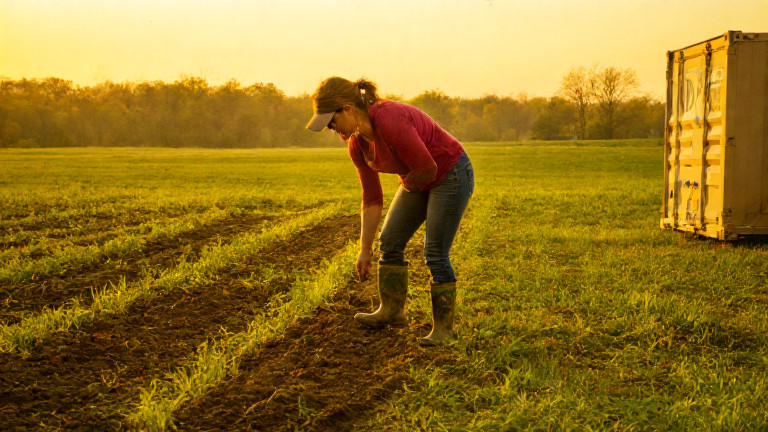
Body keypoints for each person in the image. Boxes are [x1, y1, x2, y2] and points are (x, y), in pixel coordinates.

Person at [306, 76, 474, 344]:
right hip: (418, 176)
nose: (332, 129)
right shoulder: (357, 145)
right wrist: (364, 250)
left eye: (331, 122)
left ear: (348, 108)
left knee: (434, 252)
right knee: (390, 242)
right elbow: (372, 197)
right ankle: (392, 312)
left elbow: (428, 168)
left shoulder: (389, 119)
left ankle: (445, 330)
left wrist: (407, 183)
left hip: (450, 172)